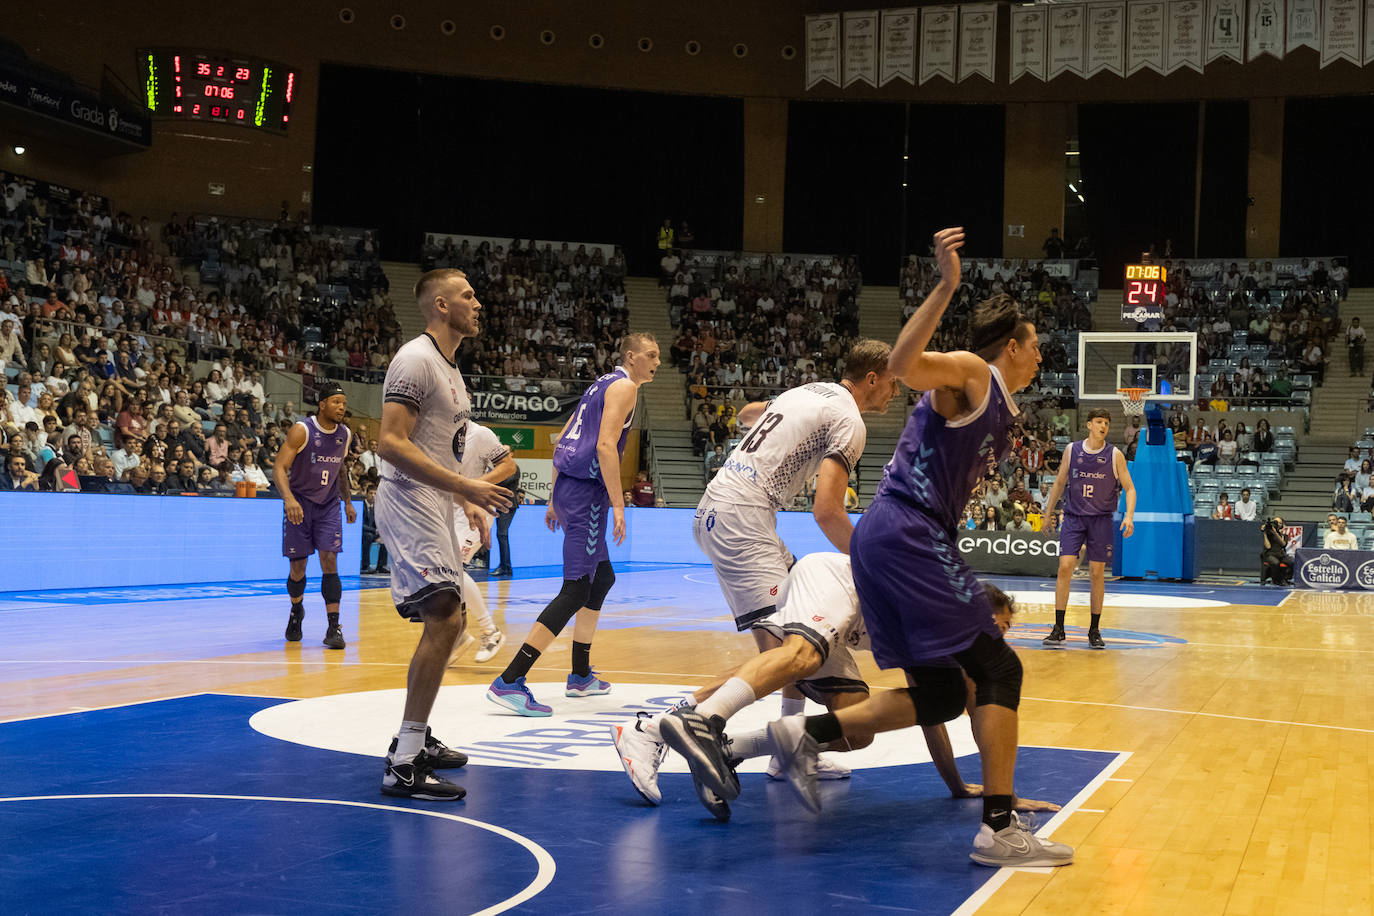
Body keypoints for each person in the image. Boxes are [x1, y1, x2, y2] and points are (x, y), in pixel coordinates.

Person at [759, 228, 1069, 869]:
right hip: (907, 533)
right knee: (1000, 670)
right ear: (1011, 348)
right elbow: (903, 366)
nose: (1041, 356)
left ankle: (803, 734)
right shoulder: (973, 373)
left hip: (887, 536)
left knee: (939, 695)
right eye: (1035, 346)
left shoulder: (997, 403)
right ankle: (999, 829)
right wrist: (946, 285)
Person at [613, 560, 1059, 820]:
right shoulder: (945, 617)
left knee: (854, 729)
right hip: (833, 581)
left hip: (850, 624)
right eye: (999, 627)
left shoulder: (950, 647)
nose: (998, 640)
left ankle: (729, 748)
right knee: (798, 657)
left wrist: (962, 786)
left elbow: (933, 714)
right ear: (981, 610)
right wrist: (1002, 798)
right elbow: (964, 710)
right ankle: (670, 724)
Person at [689, 337, 898, 778]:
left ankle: (787, 754)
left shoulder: (806, 392)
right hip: (743, 514)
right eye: (894, 384)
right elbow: (827, 511)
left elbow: (748, 413)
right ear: (873, 378)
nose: (896, 394)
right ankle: (659, 727)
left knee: (799, 624)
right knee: (785, 652)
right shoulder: (850, 421)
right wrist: (875, 566)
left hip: (727, 506)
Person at [375, 268, 514, 801]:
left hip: (435, 500)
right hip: (408, 500)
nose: (477, 304)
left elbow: (440, 449)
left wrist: (464, 500)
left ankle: (415, 739)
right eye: (467, 295)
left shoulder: (451, 368)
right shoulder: (415, 359)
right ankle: (405, 759)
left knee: (450, 624)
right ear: (439, 304)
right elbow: (390, 441)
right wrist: (466, 486)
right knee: (445, 616)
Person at [486, 333, 659, 716]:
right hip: (587, 495)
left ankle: (580, 675)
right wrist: (618, 504)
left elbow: (562, 438)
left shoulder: (601, 383)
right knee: (577, 588)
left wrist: (552, 498)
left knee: (602, 578)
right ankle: (510, 681)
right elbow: (603, 447)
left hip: (569, 487)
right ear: (630, 357)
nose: (657, 362)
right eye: (651, 355)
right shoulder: (626, 387)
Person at [1041, 408, 1136, 649]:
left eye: (1106, 422)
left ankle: (1094, 630)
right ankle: (1059, 627)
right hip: (1073, 517)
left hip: (1101, 519)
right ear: (1089, 425)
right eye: (1099, 422)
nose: (1103, 426)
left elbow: (1130, 488)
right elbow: (1060, 482)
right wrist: (1048, 512)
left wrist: (1130, 516)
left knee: (1096, 573)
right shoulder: (1072, 450)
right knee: (1064, 567)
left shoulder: (1115, 455)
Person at [272, 382, 356, 649]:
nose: (342, 407)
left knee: (329, 560)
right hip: (300, 504)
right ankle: (297, 610)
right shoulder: (302, 430)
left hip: (328, 505)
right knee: (298, 568)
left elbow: (341, 470)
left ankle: (334, 627)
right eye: (336, 402)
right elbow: (279, 467)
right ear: (322, 404)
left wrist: (348, 502)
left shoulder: (345, 434)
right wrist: (289, 500)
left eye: (344, 402)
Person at [447, 419, 515, 664]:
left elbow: (509, 467)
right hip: (446, 509)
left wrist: (474, 486)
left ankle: (490, 632)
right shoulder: (438, 431)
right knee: (439, 575)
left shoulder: (480, 434)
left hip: (474, 510)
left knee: (454, 569)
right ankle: (458, 635)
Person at [1260, 516, 1292, 585]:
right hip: (1270, 554)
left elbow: (1283, 544)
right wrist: (1265, 533)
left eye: (1279, 523)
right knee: (1275, 563)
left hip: (1281, 554)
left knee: (1292, 561)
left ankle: (1286, 578)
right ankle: (1276, 580)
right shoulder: (1268, 533)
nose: (1277, 524)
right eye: (1275, 522)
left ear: (1282, 525)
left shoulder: (1284, 535)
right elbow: (1268, 547)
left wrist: (1275, 533)